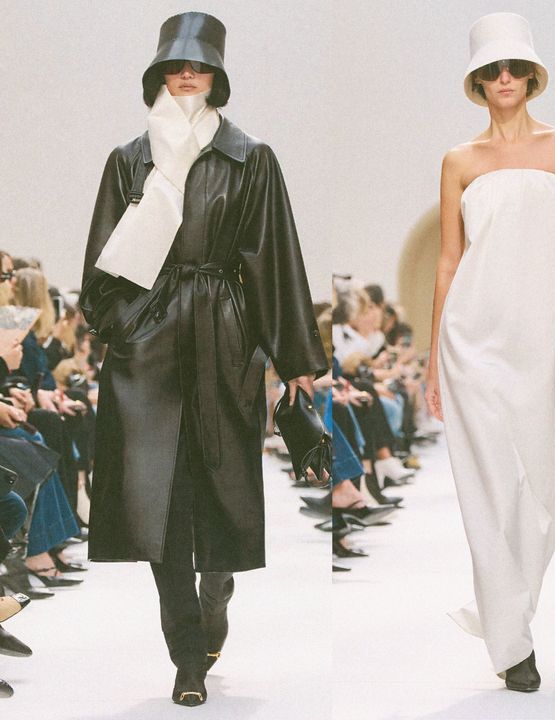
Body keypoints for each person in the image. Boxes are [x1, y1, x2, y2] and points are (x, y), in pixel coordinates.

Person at [80, 12, 327, 707]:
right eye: (175, 66)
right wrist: (124, 326)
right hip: (148, 343)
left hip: (223, 335)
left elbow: (275, 261)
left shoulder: (252, 158)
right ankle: (186, 655)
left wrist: (294, 360)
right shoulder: (128, 159)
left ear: (218, 77)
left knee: (223, 490)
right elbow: (101, 262)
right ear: (158, 75)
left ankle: (216, 596)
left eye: (198, 66)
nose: (186, 76)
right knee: (156, 497)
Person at [424, 13, 555, 692]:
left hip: (545, 338)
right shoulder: (458, 161)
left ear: (531, 76)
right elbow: (449, 262)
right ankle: (513, 645)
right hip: (471, 339)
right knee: (486, 488)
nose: (504, 78)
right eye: (492, 69)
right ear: (478, 81)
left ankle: (508, 611)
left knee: (546, 483)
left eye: (515, 67)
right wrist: (432, 355)